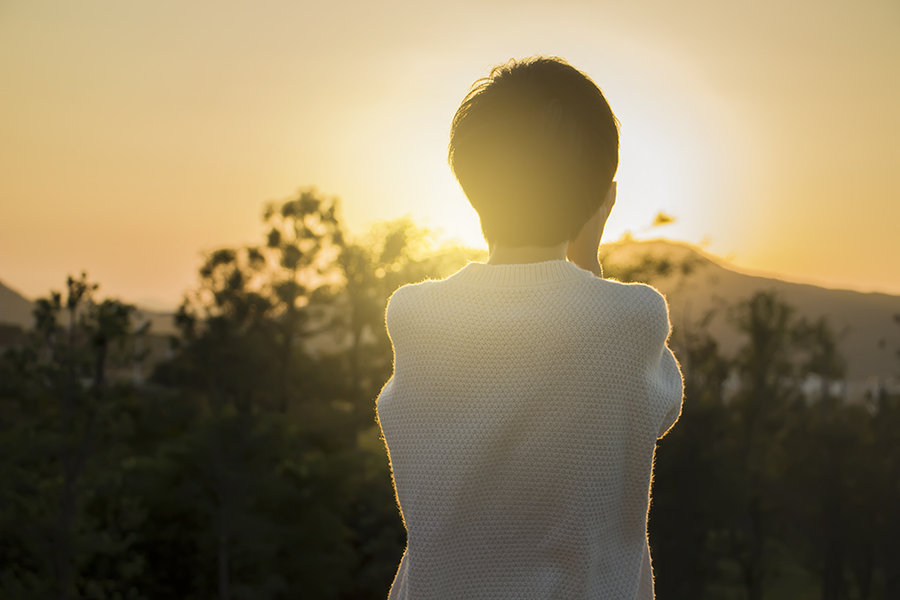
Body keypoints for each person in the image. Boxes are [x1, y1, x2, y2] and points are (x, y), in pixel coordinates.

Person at [375, 56, 684, 599]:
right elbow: (660, 411)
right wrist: (586, 262)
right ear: (602, 197)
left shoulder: (415, 316)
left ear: (472, 182)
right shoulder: (631, 320)